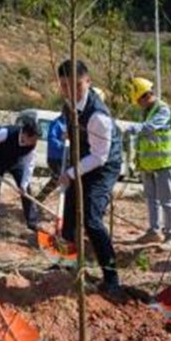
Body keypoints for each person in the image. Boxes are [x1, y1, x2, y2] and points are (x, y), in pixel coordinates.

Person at [56, 59, 126, 302]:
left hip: (104, 165)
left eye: (77, 85)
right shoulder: (68, 104)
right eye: (64, 85)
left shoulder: (98, 115)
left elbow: (99, 156)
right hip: (83, 159)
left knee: (91, 219)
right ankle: (67, 264)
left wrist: (70, 173)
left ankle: (111, 279)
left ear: (88, 82)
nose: (71, 91)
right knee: (69, 213)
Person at [125, 77, 171, 245]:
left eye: (138, 101)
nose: (138, 104)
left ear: (144, 96)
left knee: (167, 200)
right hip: (149, 163)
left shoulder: (163, 110)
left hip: (164, 161)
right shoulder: (146, 111)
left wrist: (131, 128)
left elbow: (150, 128)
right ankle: (154, 231)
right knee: (151, 199)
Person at [0, 116, 41, 230]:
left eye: (36, 140)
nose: (34, 143)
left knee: (26, 190)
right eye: (33, 139)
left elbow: (29, 166)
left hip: (15, 162)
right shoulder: (5, 133)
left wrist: (23, 185)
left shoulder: (32, 146)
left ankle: (32, 221)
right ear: (24, 134)